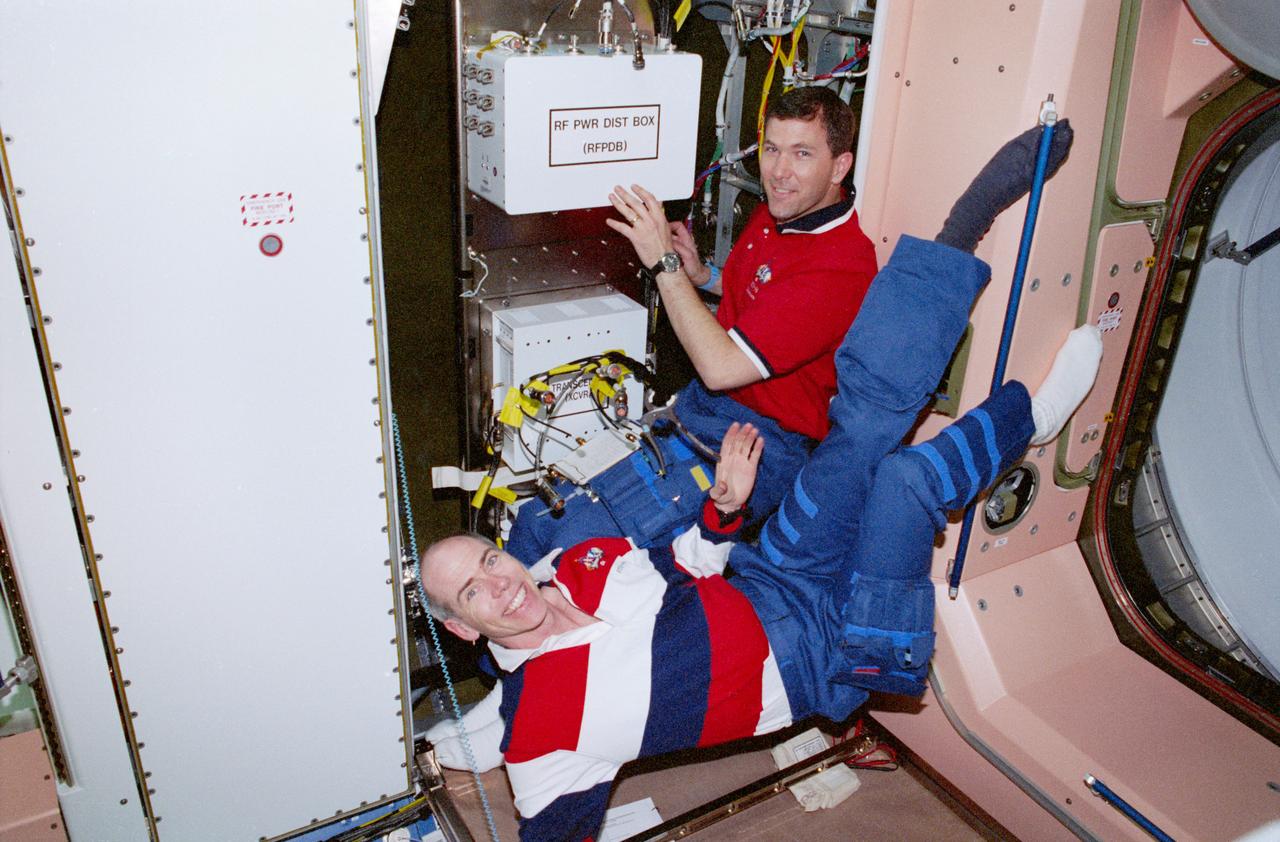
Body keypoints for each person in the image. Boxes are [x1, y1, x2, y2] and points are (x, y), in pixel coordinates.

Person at [425, 124, 1095, 841]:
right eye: (473, 593)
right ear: (463, 628)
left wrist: (721, 511)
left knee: (863, 426)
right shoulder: (540, 739)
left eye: (488, 562)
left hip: (771, 575)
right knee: (903, 480)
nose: (500, 583)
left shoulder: (574, 565)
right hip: (830, 654)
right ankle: (1032, 419)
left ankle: (963, 227)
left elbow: (682, 563)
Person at [507, 86, 879, 561]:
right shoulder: (783, 211)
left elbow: (722, 367)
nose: (779, 172)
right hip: (702, 411)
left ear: (840, 167)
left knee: (574, 550)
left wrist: (663, 263)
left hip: (761, 443)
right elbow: (769, 294)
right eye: (771, 150)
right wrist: (703, 276)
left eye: (802, 154)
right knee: (536, 517)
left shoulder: (840, 266)